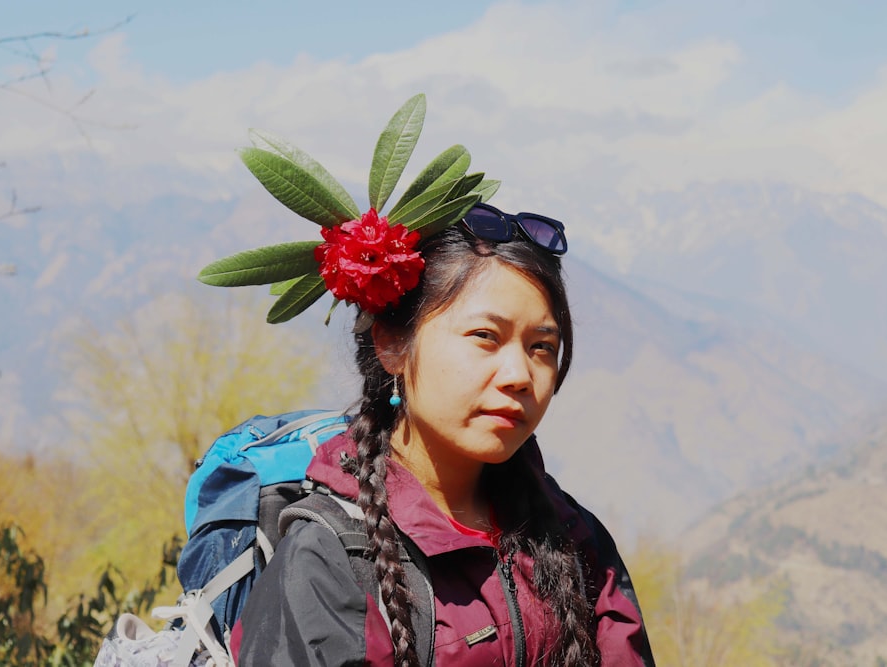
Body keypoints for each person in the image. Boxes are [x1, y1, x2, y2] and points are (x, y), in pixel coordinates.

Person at [199, 95, 654, 666]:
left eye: (542, 347)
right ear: (392, 344)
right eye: (485, 337)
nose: (519, 375)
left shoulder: (576, 544)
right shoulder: (329, 562)